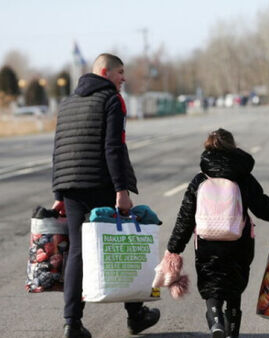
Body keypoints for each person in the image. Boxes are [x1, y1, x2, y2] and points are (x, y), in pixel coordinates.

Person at [51, 53, 160, 338]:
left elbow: (59, 148)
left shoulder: (68, 103)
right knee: (122, 243)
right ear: (104, 71)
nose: (123, 78)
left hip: (71, 186)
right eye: (120, 72)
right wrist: (121, 191)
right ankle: (136, 315)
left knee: (77, 251)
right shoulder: (112, 100)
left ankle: (71, 323)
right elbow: (114, 148)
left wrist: (59, 193)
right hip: (100, 182)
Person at [164, 128, 269, 338]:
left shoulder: (200, 180)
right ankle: (232, 330)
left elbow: (185, 218)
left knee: (212, 285)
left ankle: (215, 319)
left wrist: (174, 249)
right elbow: (264, 208)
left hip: (207, 242)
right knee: (234, 286)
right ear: (233, 147)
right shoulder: (243, 178)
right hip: (239, 242)